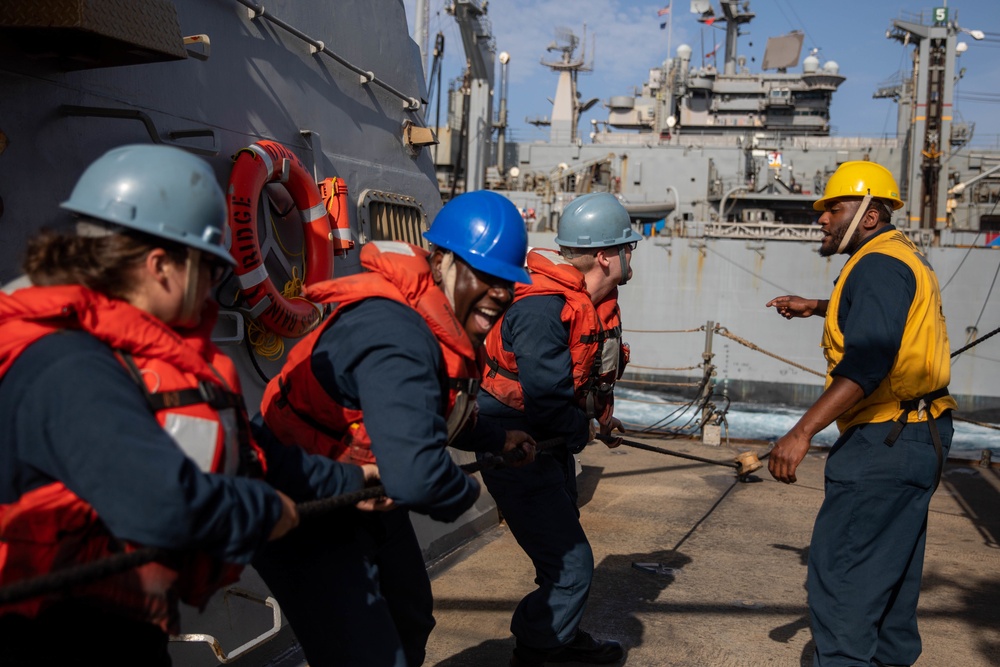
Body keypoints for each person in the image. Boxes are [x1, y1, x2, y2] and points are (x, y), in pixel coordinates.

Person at [0, 144, 377, 666]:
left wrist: (354, 483)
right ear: (161, 266)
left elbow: (252, 453)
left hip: (122, 628)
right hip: (49, 638)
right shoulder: (67, 364)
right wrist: (264, 512)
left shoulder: (131, 355)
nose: (212, 292)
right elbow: (158, 503)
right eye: (212, 271)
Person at [254, 189, 537, 667]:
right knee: (365, 655)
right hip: (306, 499)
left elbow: (428, 411)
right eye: (485, 276)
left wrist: (496, 438)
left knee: (410, 614)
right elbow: (418, 477)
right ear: (440, 260)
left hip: (367, 490)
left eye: (508, 282)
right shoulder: (397, 333)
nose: (502, 293)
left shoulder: (438, 324)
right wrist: (471, 492)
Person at [765, 160, 957, 667]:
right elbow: (886, 312)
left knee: (843, 585)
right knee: (891, 585)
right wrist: (821, 305)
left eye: (835, 208)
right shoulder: (898, 258)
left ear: (869, 216)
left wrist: (800, 432)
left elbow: (869, 361)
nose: (822, 218)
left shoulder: (875, 265)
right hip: (923, 435)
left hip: (883, 445)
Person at [476, 192, 642, 667]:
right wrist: (578, 432)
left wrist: (601, 423)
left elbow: (581, 381)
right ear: (608, 256)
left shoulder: (590, 300)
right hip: (518, 442)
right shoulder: (542, 308)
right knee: (572, 566)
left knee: (559, 558)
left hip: (548, 443)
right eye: (629, 247)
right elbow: (548, 401)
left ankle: (557, 634)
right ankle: (539, 649)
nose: (633, 256)